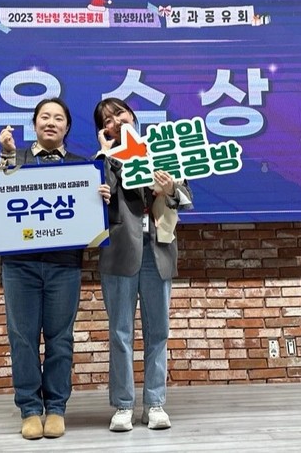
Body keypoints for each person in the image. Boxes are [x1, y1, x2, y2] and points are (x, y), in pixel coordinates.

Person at [0, 97, 110, 440]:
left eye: (58, 118)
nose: (51, 122)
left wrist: (101, 201)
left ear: (67, 127)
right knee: (22, 338)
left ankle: (57, 408)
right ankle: (30, 409)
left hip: (64, 266)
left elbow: (93, 222)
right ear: (34, 124)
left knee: (60, 339)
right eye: (44, 116)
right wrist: (6, 156)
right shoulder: (14, 160)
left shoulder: (83, 168)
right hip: (20, 266)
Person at [93, 97, 193, 432]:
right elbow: (94, 205)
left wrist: (170, 189)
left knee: (158, 331)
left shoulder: (163, 150)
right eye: (107, 120)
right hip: (119, 252)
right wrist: (106, 155)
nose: (116, 122)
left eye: (119, 113)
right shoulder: (102, 161)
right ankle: (123, 405)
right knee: (120, 332)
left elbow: (185, 198)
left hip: (158, 250)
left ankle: (155, 403)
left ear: (133, 116)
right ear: (103, 131)